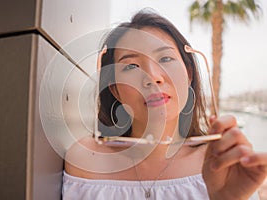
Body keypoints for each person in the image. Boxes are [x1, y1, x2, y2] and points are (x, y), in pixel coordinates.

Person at [62, 9, 267, 199]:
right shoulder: (84, 161)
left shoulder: (221, 165)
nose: (152, 76)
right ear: (115, 89)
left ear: (188, 74)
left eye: (166, 58)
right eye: (131, 66)